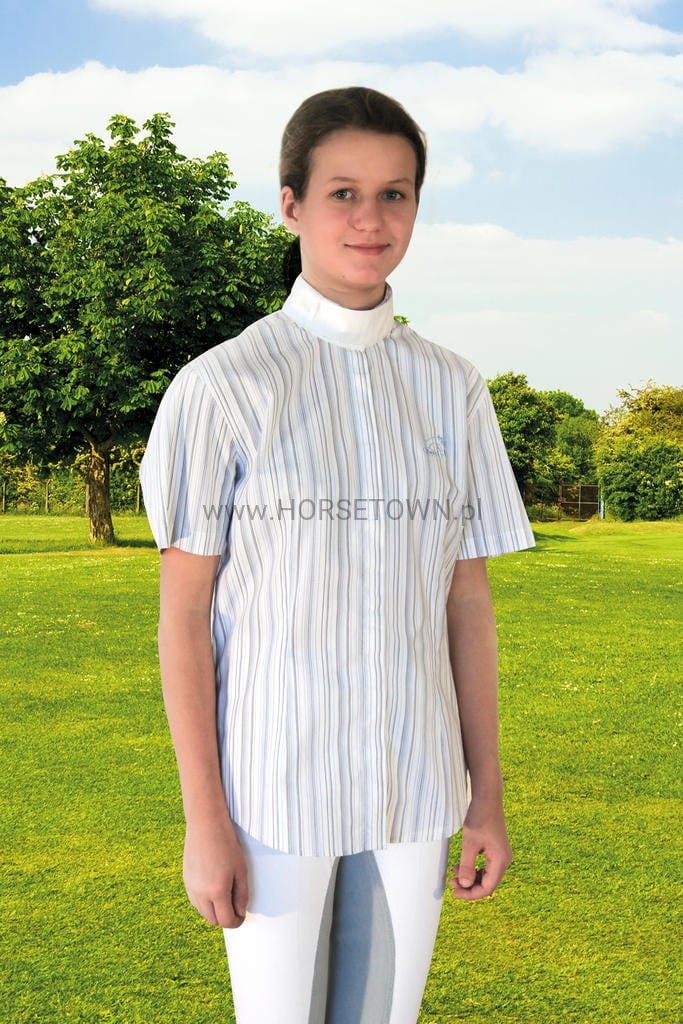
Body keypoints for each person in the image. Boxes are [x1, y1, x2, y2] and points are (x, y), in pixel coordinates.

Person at [140, 86, 535, 1024]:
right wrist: (205, 822)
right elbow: (183, 619)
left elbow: (465, 603)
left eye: (395, 194)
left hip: (417, 786)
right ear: (291, 204)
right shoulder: (224, 386)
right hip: (271, 793)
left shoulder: (452, 388)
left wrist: (484, 795)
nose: (370, 219)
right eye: (342, 193)